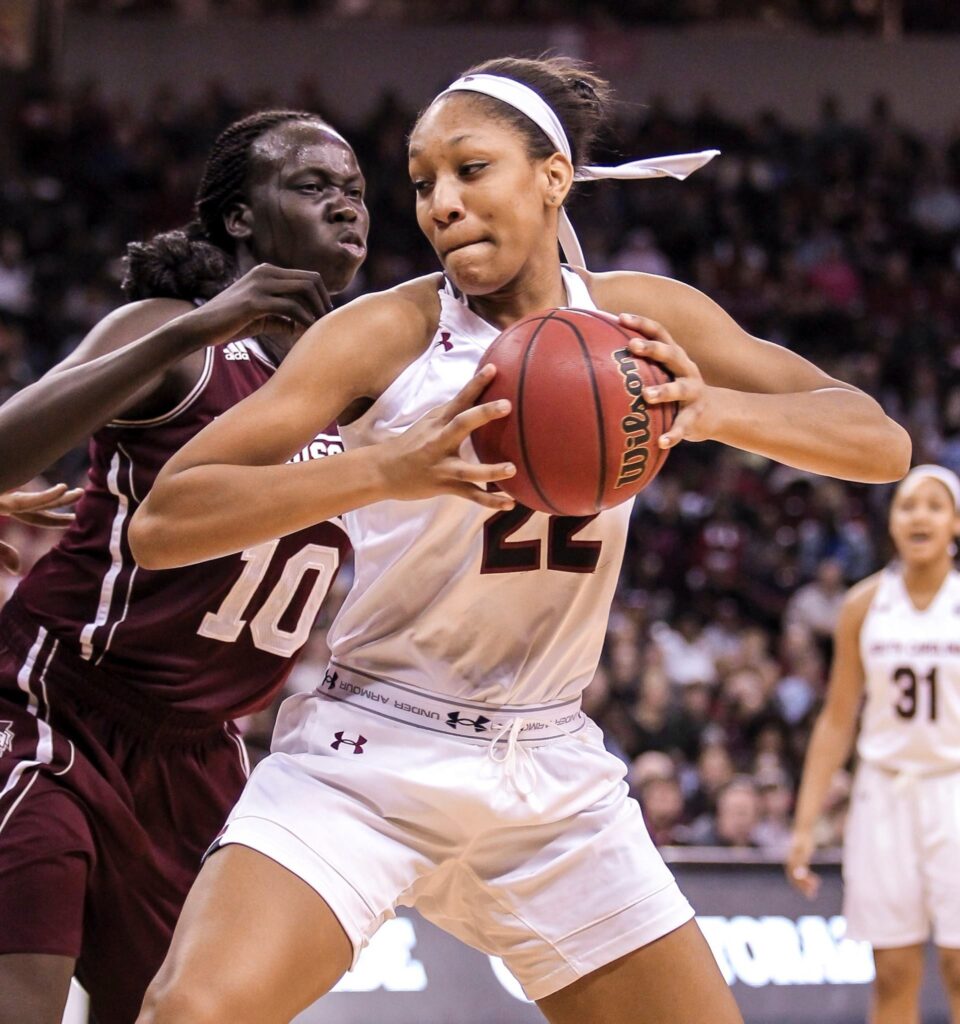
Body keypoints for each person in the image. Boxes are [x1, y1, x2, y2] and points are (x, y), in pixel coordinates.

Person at [131, 56, 910, 1024]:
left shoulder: (643, 318)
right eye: (422, 183)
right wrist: (385, 467)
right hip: (370, 753)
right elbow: (166, 521)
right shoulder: (387, 332)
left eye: (470, 169)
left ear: (551, 177)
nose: (440, 203)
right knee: (193, 1013)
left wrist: (712, 411)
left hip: (551, 773)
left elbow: (878, 441)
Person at [0, 109, 510, 1024]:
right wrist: (193, 326)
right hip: (57, 708)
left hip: (201, 750)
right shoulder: (172, 336)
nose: (346, 207)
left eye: (355, 191)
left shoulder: (371, 386)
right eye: (314, 187)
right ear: (240, 219)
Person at [787, 464, 960, 1024]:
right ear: (891, 522)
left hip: (954, 791)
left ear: (955, 524)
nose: (920, 516)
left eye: (935, 506)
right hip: (883, 795)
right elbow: (838, 720)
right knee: (891, 971)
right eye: (908, 505)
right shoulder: (863, 605)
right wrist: (805, 823)